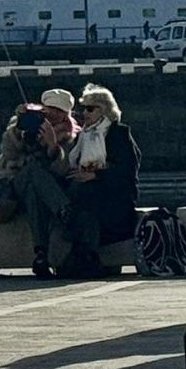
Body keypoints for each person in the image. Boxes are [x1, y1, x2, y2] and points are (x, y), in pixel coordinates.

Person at [0, 88, 95, 277]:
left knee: (34, 192)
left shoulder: (72, 135)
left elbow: (64, 171)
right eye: (49, 109)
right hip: (15, 186)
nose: (53, 114)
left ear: (66, 113)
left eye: (58, 111)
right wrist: (18, 130)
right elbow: (9, 154)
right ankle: (64, 210)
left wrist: (53, 146)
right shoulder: (24, 124)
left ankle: (41, 256)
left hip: (42, 191)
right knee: (31, 170)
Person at [64, 83, 141, 258]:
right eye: (83, 109)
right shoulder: (83, 136)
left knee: (82, 202)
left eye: (90, 109)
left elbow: (127, 170)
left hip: (114, 198)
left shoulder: (118, 133)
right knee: (77, 197)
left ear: (104, 110)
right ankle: (82, 256)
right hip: (89, 195)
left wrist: (94, 174)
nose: (85, 114)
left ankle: (83, 256)